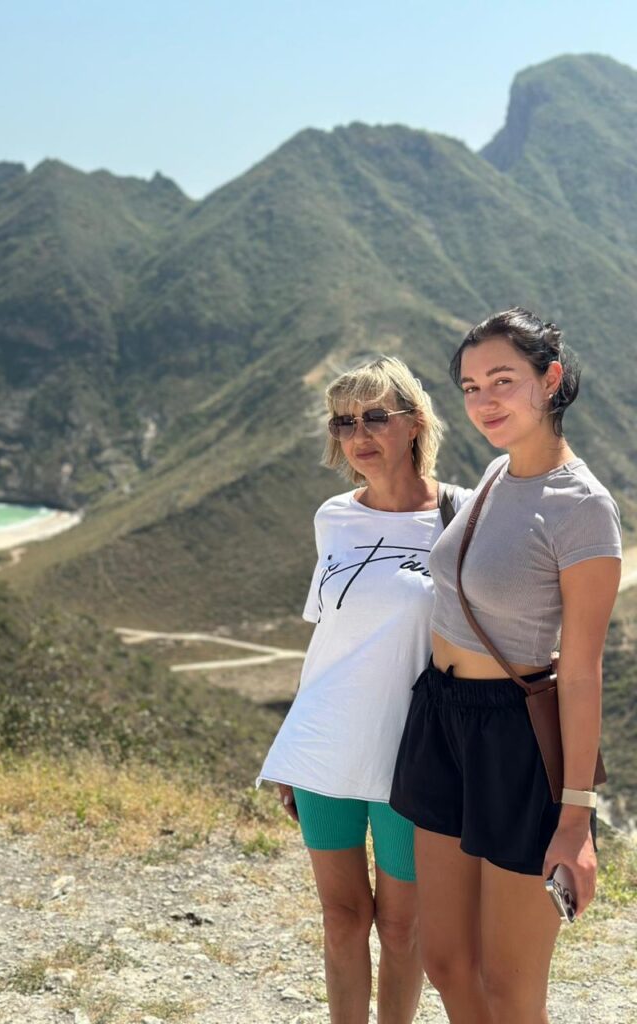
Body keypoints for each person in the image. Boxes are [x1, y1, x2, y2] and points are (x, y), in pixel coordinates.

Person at [390, 308, 622, 1024]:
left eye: (503, 381)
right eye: (469, 386)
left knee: (508, 983)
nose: (484, 401)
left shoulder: (584, 508)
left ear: (549, 381)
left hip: (513, 741)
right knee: (446, 962)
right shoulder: (493, 473)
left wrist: (575, 821)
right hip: (441, 719)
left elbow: (581, 672)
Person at [258, 356, 470, 1024]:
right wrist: (292, 747)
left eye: (376, 415)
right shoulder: (333, 518)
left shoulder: (459, 516)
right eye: (345, 421)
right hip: (325, 747)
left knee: (403, 929)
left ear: (413, 424)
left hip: (413, 759)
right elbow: (332, 642)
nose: (359, 433)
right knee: (343, 921)